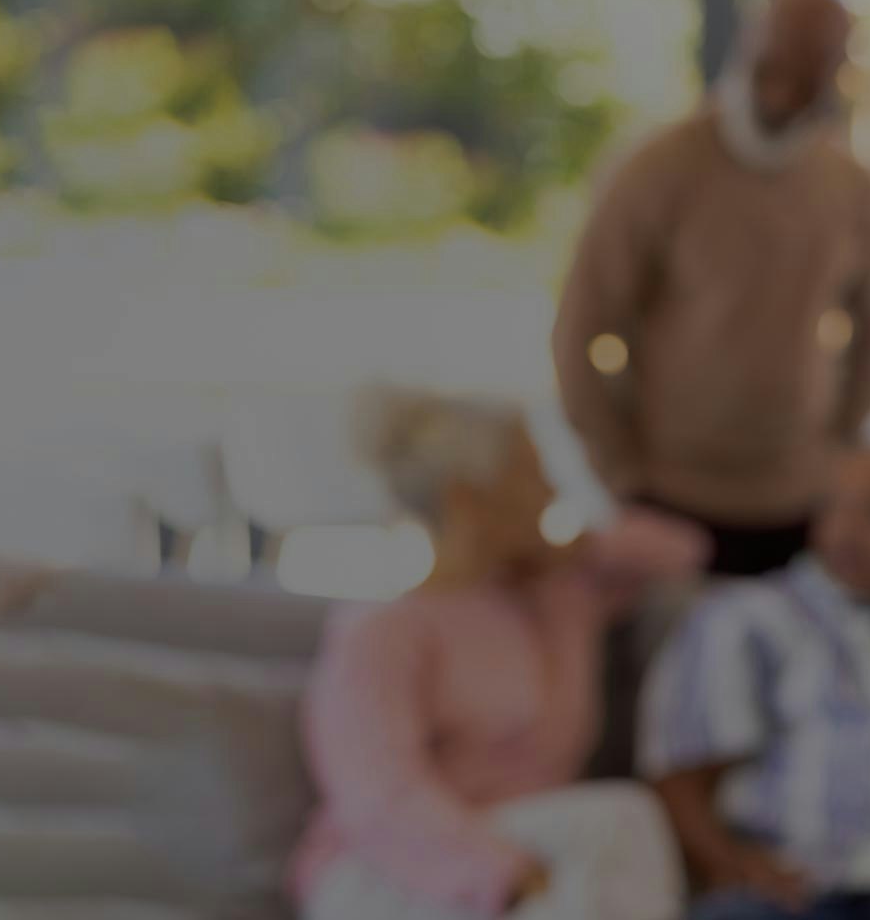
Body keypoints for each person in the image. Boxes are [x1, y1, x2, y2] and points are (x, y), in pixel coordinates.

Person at [553, 0, 870, 776]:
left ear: (835, 69)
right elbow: (578, 335)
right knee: (665, 731)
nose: (790, 76)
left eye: (814, 61)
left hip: (798, 504)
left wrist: (843, 445)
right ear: (747, 45)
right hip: (672, 502)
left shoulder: (845, 182)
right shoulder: (659, 167)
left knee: (780, 728)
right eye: (778, 52)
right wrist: (624, 473)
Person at [293, 387, 708, 920]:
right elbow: (380, 803)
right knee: (620, 820)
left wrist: (574, 548)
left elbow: (683, 551)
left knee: (609, 842)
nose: (552, 490)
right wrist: (507, 874)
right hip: (390, 873)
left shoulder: (558, 596)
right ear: (469, 497)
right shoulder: (384, 631)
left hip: (537, 848)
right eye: (531, 473)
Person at [645, 449, 870, 920]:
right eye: (831, 507)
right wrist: (736, 867)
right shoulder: (748, 619)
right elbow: (679, 779)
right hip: (804, 895)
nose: (844, 529)